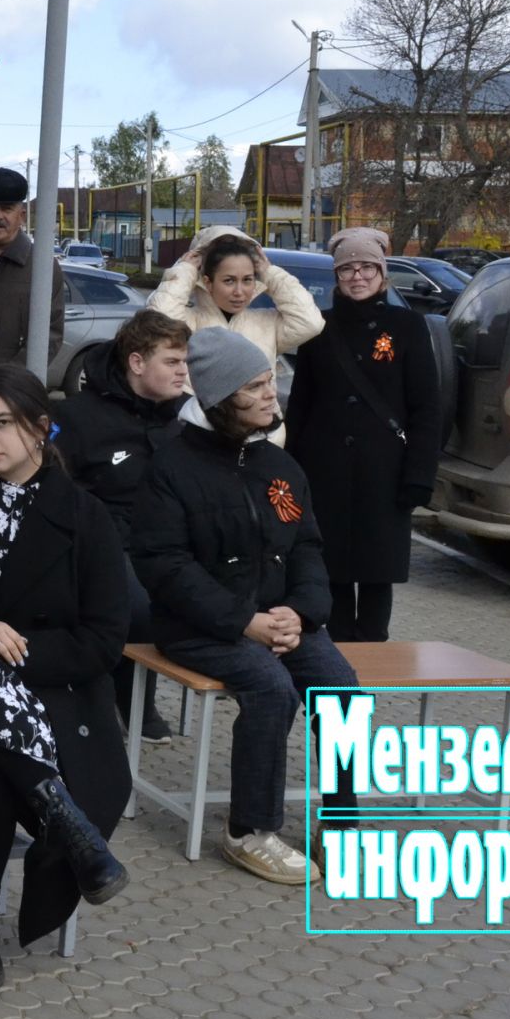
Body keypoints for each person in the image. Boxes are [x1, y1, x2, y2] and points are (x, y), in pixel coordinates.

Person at [0, 363, 131, 992]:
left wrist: (14, 654)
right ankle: (67, 831)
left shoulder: (85, 516)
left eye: (4, 424)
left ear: (40, 428)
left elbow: (104, 638)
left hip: (56, 692)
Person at [133, 328, 359, 885]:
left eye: (270, 380)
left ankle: (340, 825)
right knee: (270, 687)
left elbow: (306, 547)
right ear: (217, 397)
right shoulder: (171, 467)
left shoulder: (278, 466)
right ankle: (249, 832)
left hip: (280, 620)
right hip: (199, 627)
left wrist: (300, 615)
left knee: (341, 686)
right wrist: (245, 622)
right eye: (254, 386)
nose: (271, 394)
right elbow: (165, 566)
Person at [287, 228, 441, 642]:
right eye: (348, 269)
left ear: (383, 275)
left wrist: (419, 476)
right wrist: (292, 474)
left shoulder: (407, 326)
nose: (357, 277)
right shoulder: (319, 328)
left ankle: (362, 698)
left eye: (367, 268)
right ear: (337, 276)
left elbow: (427, 407)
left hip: (385, 477)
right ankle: (332, 698)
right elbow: (300, 405)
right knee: (330, 584)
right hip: (325, 476)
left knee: (377, 583)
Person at [52, 308, 193, 743]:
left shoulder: (185, 420)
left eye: (184, 361)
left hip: (168, 545)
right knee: (141, 606)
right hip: (102, 546)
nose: (183, 372)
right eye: (172, 362)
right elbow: (56, 491)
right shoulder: (78, 417)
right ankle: (128, 699)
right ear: (136, 363)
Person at [148, 224, 322, 446]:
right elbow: (155, 325)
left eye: (248, 280)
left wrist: (270, 273)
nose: (239, 292)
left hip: (264, 443)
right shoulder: (186, 322)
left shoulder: (267, 323)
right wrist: (185, 271)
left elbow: (311, 322)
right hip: (202, 445)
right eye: (229, 280)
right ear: (208, 282)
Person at [0, 168, 66, 366]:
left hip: (9, 390)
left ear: (22, 216)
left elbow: (50, 336)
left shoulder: (42, 268)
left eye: (7, 209)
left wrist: (6, 385)